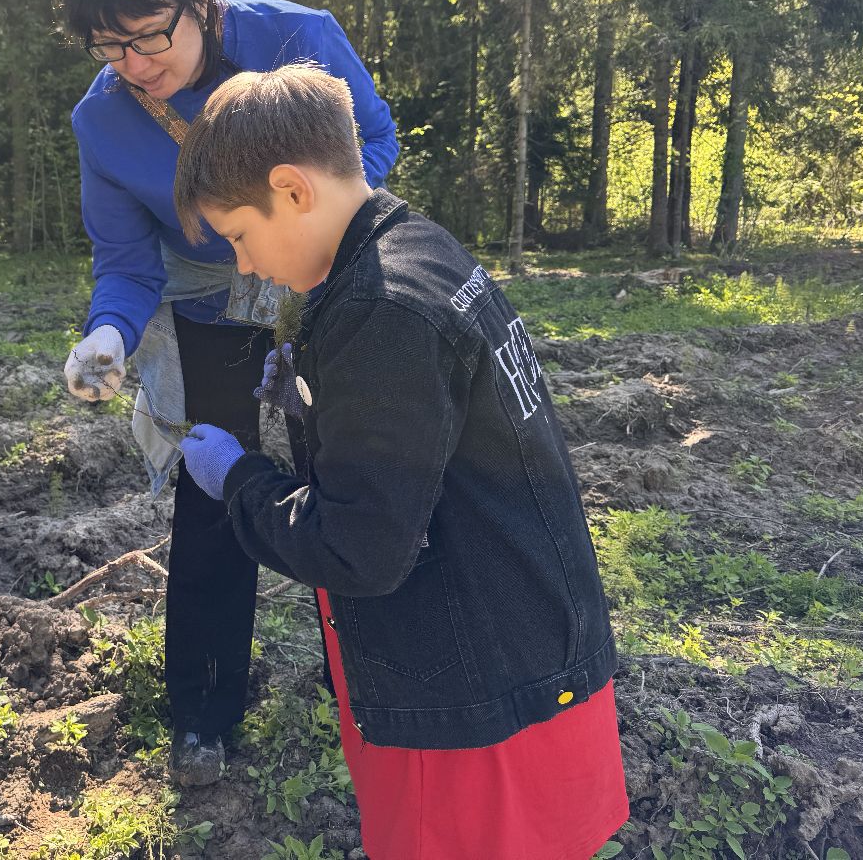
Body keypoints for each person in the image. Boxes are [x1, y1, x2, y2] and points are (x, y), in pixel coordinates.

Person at [172, 65, 629, 858]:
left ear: (292, 189)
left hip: (466, 700)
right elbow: (428, 436)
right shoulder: (419, 250)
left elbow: (360, 546)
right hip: (523, 642)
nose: (244, 266)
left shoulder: (381, 314)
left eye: (240, 236)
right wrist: (316, 399)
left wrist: (241, 479)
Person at [50, 0, 400, 785]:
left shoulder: (295, 39)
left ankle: (363, 680)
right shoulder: (102, 120)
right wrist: (110, 336)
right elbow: (126, 265)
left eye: (150, 34)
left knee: (349, 477)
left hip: (319, 281)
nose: (134, 63)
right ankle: (205, 708)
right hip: (207, 307)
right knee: (213, 491)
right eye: (109, 46)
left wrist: (296, 231)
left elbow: (376, 145)